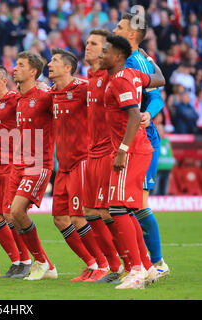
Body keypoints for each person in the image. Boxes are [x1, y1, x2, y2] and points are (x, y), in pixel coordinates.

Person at [99, 34, 165, 289]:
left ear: (117, 56)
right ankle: (147, 268)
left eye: (105, 51)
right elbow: (159, 79)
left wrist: (122, 150)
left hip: (133, 150)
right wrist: (149, 58)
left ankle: (136, 271)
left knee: (118, 209)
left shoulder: (122, 80)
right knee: (127, 209)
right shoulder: (133, 76)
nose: (102, 54)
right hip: (135, 149)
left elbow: (135, 116)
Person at [114, 13, 170, 279]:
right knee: (119, 206)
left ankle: (156, 263)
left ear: (132, 35)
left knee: (136, 204)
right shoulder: (116, 60)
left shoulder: (137, 61)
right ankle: (135, 264)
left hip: (142, 139)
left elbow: (156, 95)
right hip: (120, 139)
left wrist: (149, 114)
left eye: (119, 27)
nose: (114, 30)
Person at [48, 47, 110, 282]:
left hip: (82, 161)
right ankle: (91, 263)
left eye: (54, 61)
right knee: (59, 219)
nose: (49, 64)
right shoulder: (51, 93)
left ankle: (104, 264)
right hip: (62, 165)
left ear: (67, 67)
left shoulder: (84, 88)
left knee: (79, 217)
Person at [9, 51, 56, 280]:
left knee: (17, 211)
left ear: (33, 72)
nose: (14, 68)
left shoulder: (45, 96)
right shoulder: (16, 97)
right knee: (12, 216)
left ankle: (39, 261)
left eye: (20, 65)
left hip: (38, 163)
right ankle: (47, 265)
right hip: (18, 163)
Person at [83, 29, 125, 283]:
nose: (87, 46)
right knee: (90, 212)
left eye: (94, 44)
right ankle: (114, 265)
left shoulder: (113, 76)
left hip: (109, 151)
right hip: (92, 153)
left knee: (109, 212)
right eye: (87, 42)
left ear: (106, 50)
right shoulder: (90, 76)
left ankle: (132, 264)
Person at [0, 64, 32, 278]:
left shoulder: (15, 99)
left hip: (13, 165)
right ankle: (15, 261)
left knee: (9, 215)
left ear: (4, 81)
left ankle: (26, 261)